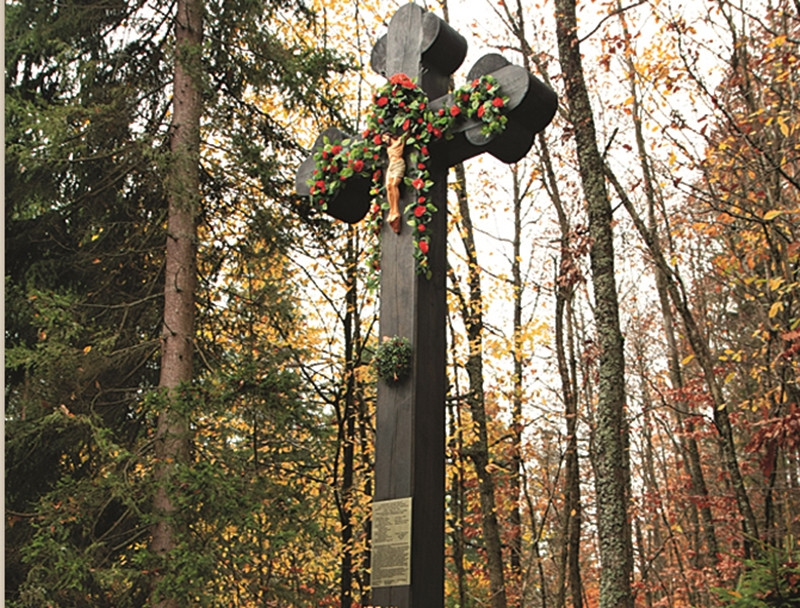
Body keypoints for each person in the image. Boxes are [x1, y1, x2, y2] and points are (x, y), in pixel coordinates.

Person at [383, 134, 405, 234]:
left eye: (385, 138)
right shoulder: (388, 147)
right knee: (388, 186)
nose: (384, 140)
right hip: (391, 166)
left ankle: (395, 210)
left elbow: (407, 134)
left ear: (389, 136)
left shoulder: (399, 141)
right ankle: (392, 211)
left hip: (398, 164)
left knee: (394, 184)